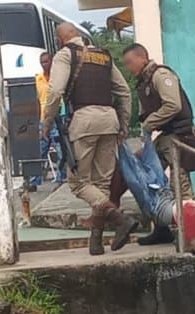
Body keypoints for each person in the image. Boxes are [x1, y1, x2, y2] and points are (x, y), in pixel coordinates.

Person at [41, 22, 137, 256]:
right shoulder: (103, 55)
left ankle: (119, 218)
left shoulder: (65, 55)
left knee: (78, 182)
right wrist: (123, 124)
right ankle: (96, 243)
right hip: (110, 120)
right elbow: (123, 91)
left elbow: (55, 92)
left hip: (84, 121)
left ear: (60, 39)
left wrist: (46, 121)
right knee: (101, 185)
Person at [110, 43, 195, 246]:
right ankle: (161, 227)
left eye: (130, 62)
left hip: (180, 137)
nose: (129, 67)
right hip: (165, 137)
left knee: (181, 187)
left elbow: (173, 105)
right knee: (142, 177)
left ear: (143, 57)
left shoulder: (160, 75)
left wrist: (150, 124)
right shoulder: (144, 81)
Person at [30, 52, 66, 190]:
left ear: (52, 62)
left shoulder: (58, 77)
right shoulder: (38, 79)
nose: (44, 64)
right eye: (42, 62)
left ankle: (61, 178)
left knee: (60, 149)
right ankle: (34, 181)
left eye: (46, 61)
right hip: (44, 118)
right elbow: (37, 101)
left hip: (58, 116)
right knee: (41, 150)